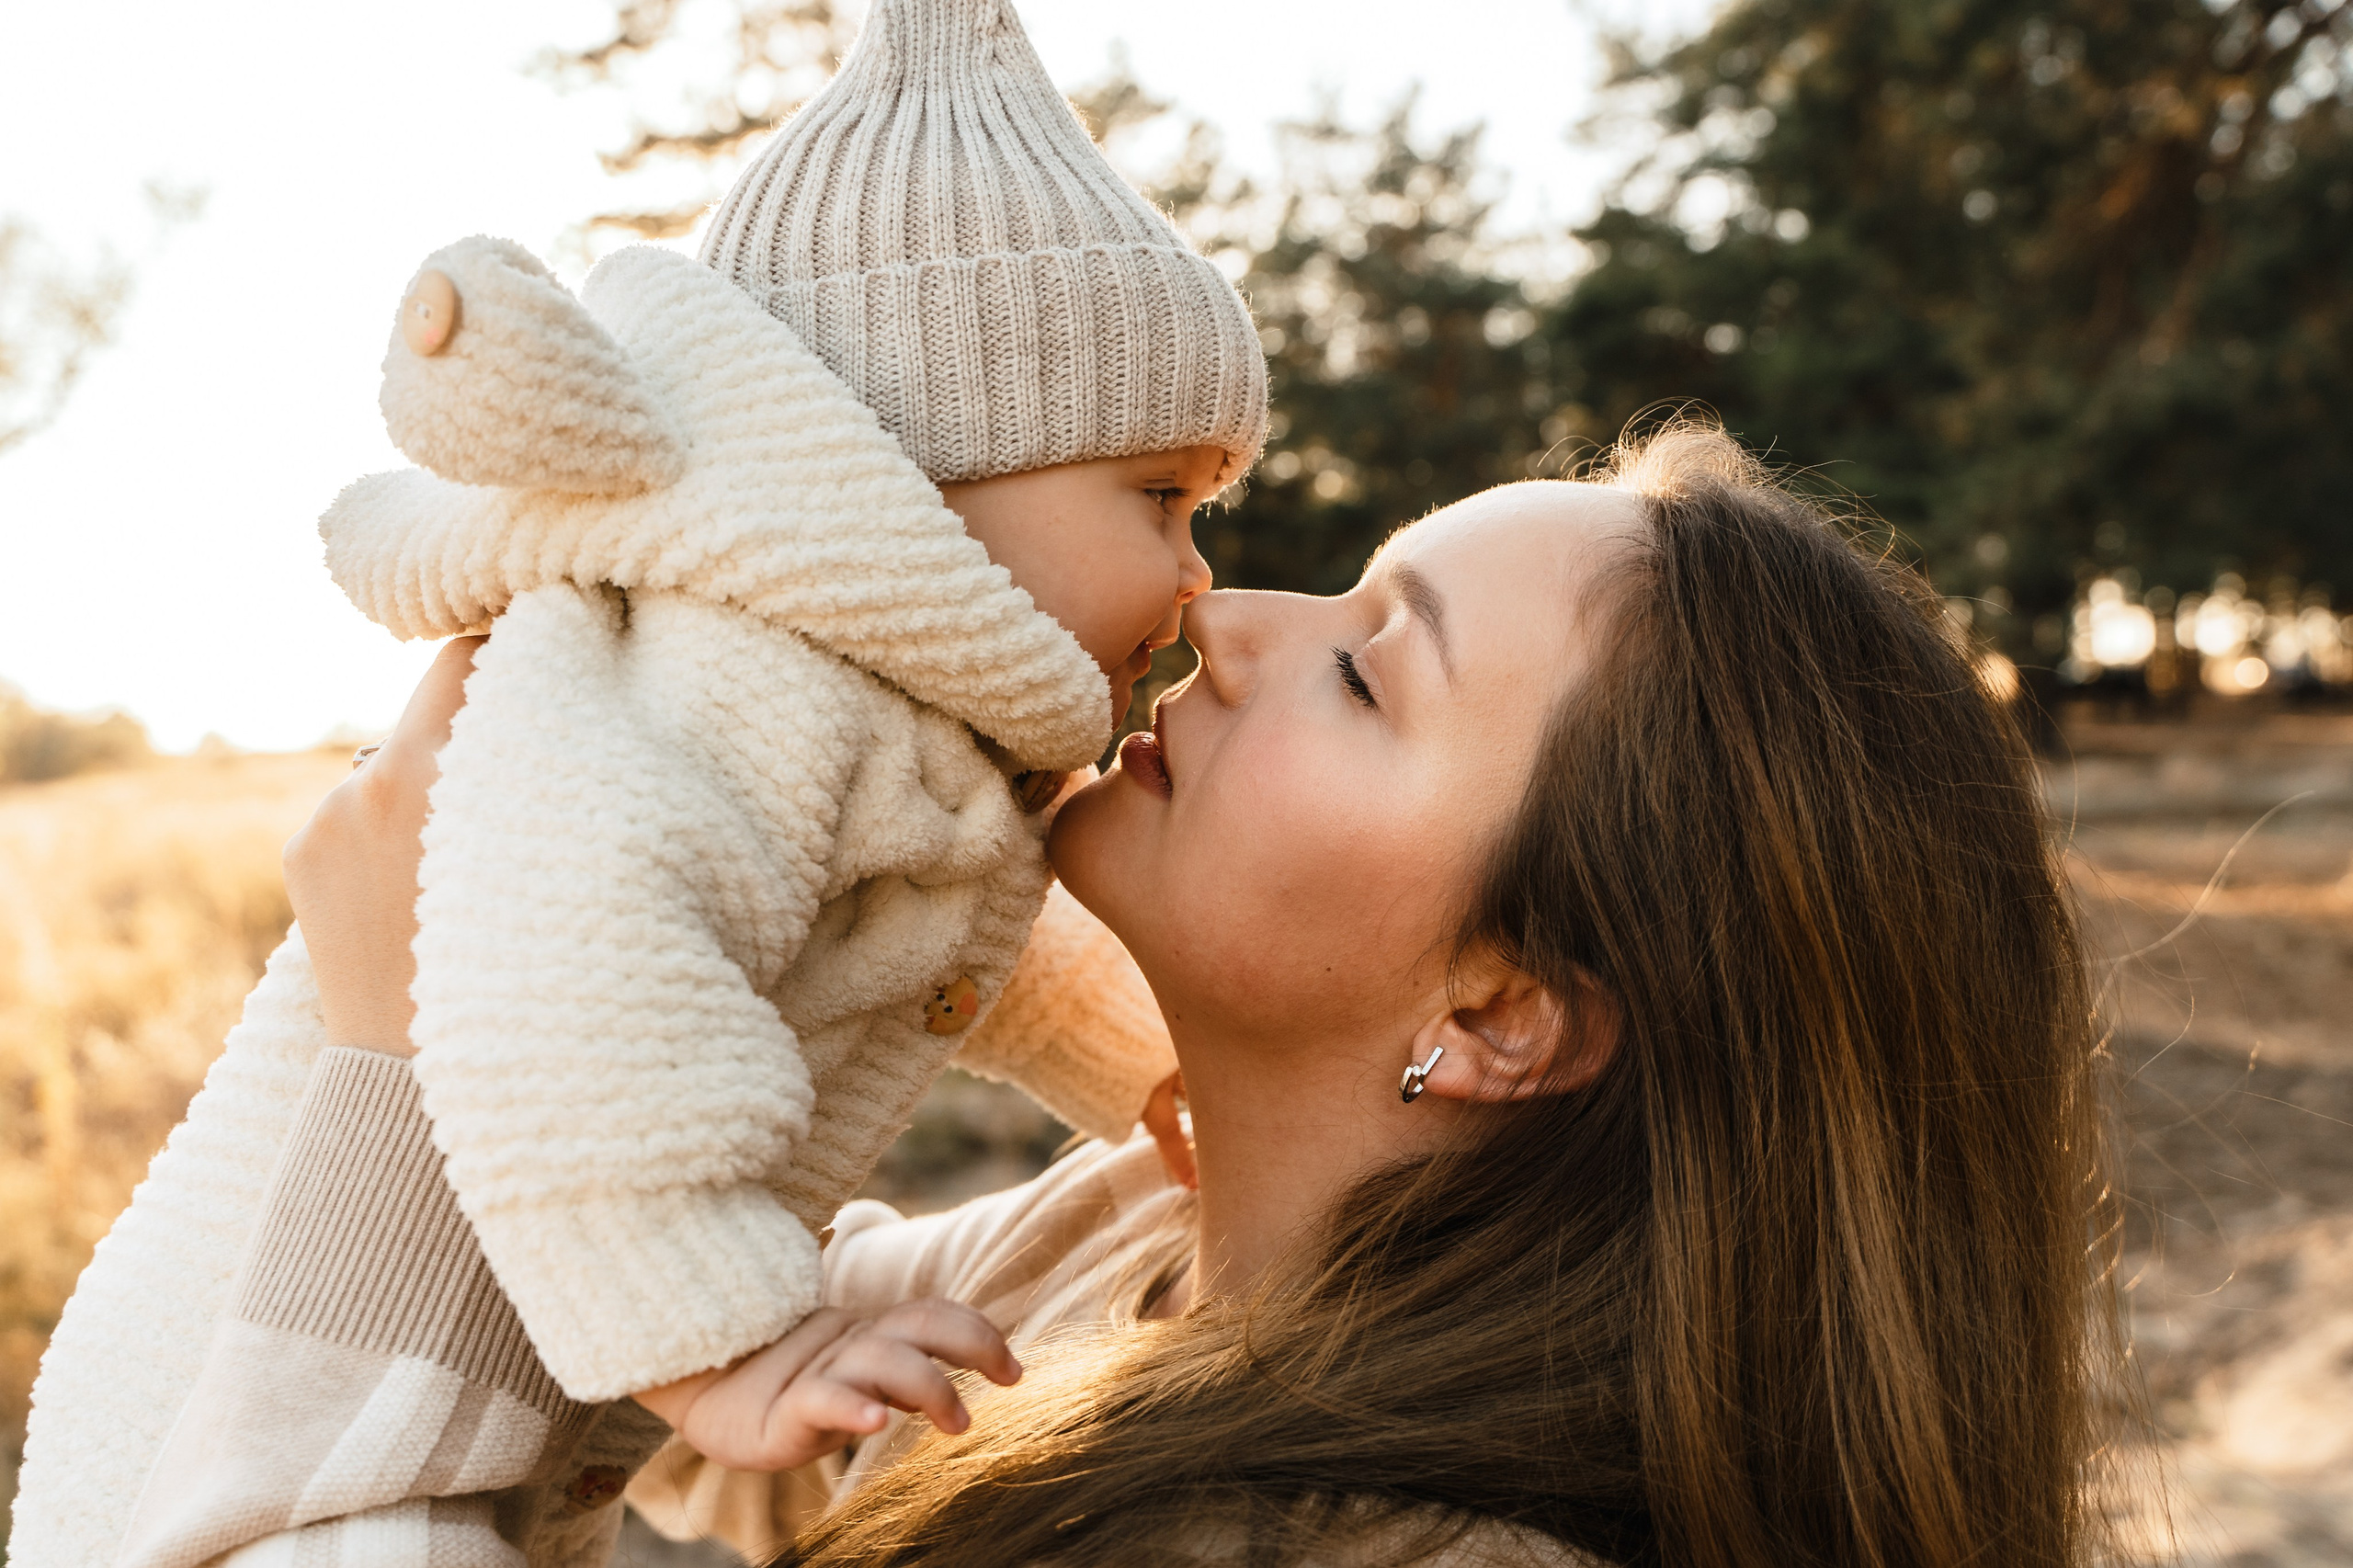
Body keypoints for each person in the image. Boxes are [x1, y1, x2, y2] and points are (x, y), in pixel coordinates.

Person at [108, 424, 2131, 1568]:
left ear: (1506, 1011)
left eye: (1365, 670)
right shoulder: (1120, 1258)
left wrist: (400, 1067)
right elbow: (638, 1441)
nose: (1222, 620)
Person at [12, 0, 1266, 1559]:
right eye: (1161, 493)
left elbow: (937, 943)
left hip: (409, 1412)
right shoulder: (741, 672)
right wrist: (728, 1336)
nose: (1199, 577)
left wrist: (1152, 1054)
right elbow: (576, 961)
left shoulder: (886, 717)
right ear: (914, 459)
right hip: (243, 1406)